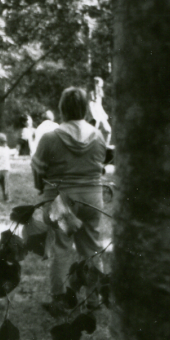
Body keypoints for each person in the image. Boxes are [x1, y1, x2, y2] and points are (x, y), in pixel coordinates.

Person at [32, 87, 107, 316]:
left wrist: (41, 192)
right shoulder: (98, 136)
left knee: (60, 248)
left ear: (62, 108)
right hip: (92, 198)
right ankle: (94, 299)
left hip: (60, 201)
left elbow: (39, 171)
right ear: (85, 109)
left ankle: (59, 301)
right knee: (92, 249)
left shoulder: (50, 137)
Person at [88, 76, 112, 143]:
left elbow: (99, 106)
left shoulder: (99, 95)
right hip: (94, 116)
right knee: (92, 134)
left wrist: (104, 114)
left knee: (108, 130)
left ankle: (105, 147)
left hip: (100, 115)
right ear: (96, 84)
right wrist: (94, 116)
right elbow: (90, 105)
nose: (100, 88)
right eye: (99, 86)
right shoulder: (91, 94)